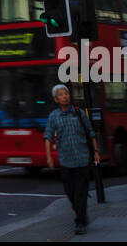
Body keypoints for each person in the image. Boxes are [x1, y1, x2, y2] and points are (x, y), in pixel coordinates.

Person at [43, 84, 101, 235]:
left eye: (66, 94)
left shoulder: (79, 113)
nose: (65, 96)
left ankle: (80, 222)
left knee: (80, 192)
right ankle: (81, 212)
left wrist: (95, 151)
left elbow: (90, 132)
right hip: (66, 161)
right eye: (61, 95)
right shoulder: (53, 117)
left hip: (82, 160)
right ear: (56, 99)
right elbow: (48, 137)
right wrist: (49, 156)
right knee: (70, 193)